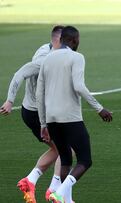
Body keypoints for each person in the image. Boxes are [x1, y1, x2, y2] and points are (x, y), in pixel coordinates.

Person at [36, 25, 113, 203]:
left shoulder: (47, 59)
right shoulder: (76, 57)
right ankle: (60, 192)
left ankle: (66, 200)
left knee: (65, 160)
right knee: (85, 160)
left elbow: (40, 93)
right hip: (70, 117)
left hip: (52, 118)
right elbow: (79, 86)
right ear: (73, 40)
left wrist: (43, 124)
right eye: (78, 40)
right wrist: (99, 108)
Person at [0, 25, 68, 203]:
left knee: (58, 149)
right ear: (58, 42)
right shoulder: (43, 60)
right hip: (36, 114)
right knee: (66, 149)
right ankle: (54, 191)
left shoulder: (47, 50)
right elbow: (19, 74)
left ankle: (30, 181)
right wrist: (9, 100)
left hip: (38, 112)